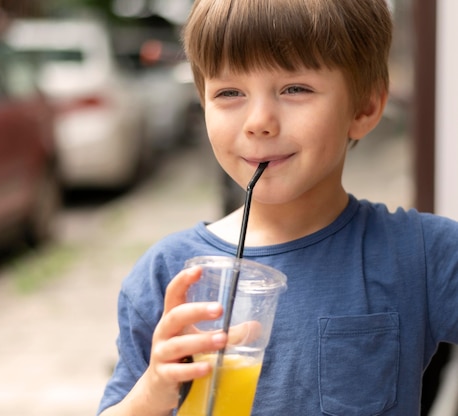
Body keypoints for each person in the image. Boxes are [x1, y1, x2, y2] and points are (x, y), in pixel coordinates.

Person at [97, 0, 458, 414]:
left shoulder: (422, 255)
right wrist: (154, 388)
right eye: (229, 92)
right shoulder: (169, 273)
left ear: (365, 107)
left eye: (295, 89)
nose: (259, 120)